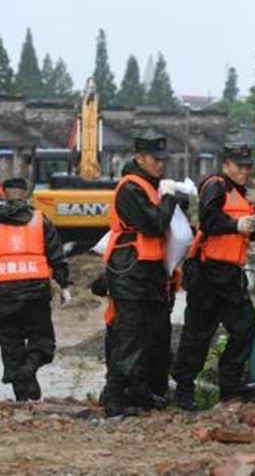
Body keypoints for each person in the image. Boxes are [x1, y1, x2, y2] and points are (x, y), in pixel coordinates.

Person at [173, 142, 255, 411]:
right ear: (226, 165)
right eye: (240, 166)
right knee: (198, 334)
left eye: (248, 167)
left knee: (246, 326)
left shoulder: (244, 195)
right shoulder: (216, 186)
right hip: (208, 273)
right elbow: (209, 220)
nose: (245, 171)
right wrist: (235, 225)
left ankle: (230, 385)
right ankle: (184, 391)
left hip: (231, 275)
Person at [0, 177, 71, 402]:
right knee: (43, 343)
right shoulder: (39, 220)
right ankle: (29, 371)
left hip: (3, 294)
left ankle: (22, 397)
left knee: (11, 347)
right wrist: (64, 285)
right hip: (36, 293)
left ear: (3, 194)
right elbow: (57, 254)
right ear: (27, 193)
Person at [102, 135, 177, 417]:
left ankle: (140, 391)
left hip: (150, 273)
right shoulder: (131, 188)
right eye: (155, 160)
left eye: (163, 160)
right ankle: (113, 398)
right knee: (130, 337)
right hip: (130, 272)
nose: (160, 165)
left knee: (154, 336)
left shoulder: (150, 187)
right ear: (139, 158)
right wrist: (169, 198)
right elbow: (155, 224)